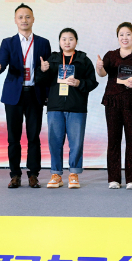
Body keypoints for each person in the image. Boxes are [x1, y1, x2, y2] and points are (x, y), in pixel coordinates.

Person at [0, 4, 51, 189]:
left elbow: (48, 72)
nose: (24, 20)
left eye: (27, 17)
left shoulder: (43, 43)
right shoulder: (8, 42)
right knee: (13, 138)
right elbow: (2, 63)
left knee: (34, 137)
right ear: (15, 20)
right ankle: (15, 175)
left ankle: (33, 175)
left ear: (33, 19)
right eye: (20, 17)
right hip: (13, 96)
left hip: (35, 94)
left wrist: (45, 70)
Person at [35, 28, 98, 189]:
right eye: (64, 39)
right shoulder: (53, 59)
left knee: (76, 142)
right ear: (59, 42)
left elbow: (92, 82)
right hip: (55, 106)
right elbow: (41, 81)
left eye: (71, 39)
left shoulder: (83, 60)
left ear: (76, 41)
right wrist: (42, 70)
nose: (67, 42)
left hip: (77, 107)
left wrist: (79, 83)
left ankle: (74, 173)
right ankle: (56, 174)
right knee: (54, 142)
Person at [96, 22, 132, 190]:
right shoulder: (110, 55)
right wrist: (99, 67)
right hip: (113, 101)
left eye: (128, 34)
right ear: (117, 37)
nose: (125, 37)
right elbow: (102, 74)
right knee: (113, 140)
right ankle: (114, 178)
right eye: (121, 34)